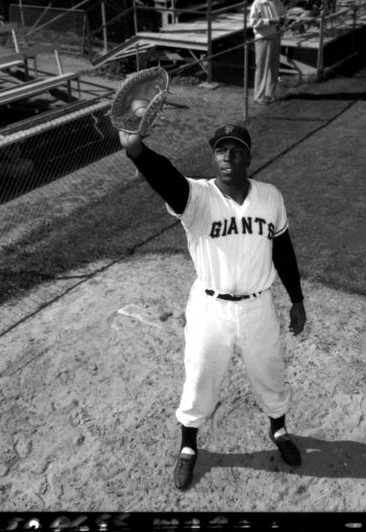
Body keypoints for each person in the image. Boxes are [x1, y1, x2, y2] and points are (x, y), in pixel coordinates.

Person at [118, 124, 307, 490]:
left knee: (269, 369)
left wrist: (297, 298)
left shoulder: (270, 197)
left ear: (249, 156)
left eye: (236, 150)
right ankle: (188, 448)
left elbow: (282, 249)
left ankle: (279, 429)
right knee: (201, 374)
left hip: (258, 305)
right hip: (210, 309)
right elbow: (167, 179)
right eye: (221, 150)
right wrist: (137, 152)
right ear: (214, 155)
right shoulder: (197, 197)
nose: (228, 156)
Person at [249, 0, 287, 104]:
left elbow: (284, 14)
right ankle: (259, 96)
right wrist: (271, 21)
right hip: (263, 38)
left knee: (274, 67)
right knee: (261, 68)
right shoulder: (258, 2)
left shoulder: (277, 1)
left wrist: (283, 21)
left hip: (275, 36)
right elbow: (253, 22)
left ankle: (270, 95)